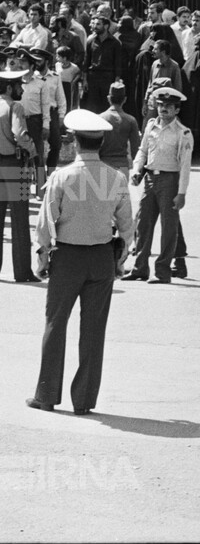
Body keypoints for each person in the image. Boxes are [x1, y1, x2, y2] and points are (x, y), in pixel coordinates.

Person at [28, 109, 133, 415]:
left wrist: (42, 257)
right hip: (101, 257)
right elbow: (126, 226)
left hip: (69, 257)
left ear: (74, 141)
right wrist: (120, 258)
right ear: (100, 142)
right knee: (94, 330)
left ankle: (46, 395)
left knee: (55, 324)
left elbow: (46, 222)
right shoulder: (116, 178)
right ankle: (84, 400)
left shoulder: (62, 177)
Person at [0, 69, 40, 283]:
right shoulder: (15, 107)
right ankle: (22, 272)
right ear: (11, 88)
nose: (22, 89)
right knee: (20, 220)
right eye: (19, 86)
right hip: (15, 165)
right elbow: (20, 134)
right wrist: (33, 150)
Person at [127, 88, 191, 284]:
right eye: (161, 105)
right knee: (143, 223)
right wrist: (137, 170)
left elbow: (185, 166)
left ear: (177, 110)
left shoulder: (183, 133)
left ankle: (163, 272)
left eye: (169, 107)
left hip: (170, 180)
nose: (163, 109)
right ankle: (139, 269)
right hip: (149, 180)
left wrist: (181, 193)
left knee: (168, 228)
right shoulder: (151, 127)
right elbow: (143, 151)